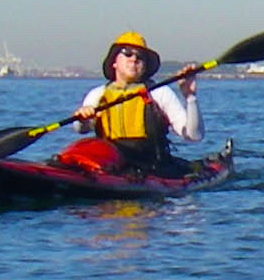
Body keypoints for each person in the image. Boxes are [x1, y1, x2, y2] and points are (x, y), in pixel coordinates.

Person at [72, 31, 203, 175]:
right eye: (127, 53)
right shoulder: (97, 95)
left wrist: (190, 97)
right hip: (111, 166)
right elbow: (80, 129)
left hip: (151, 168)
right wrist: (84, 119)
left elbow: (194, 136)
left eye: (140, 57)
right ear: (114, 62)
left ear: (145, 66)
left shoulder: (158, 93)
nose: (134, 59)